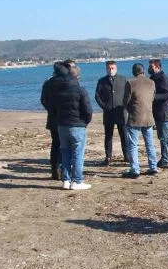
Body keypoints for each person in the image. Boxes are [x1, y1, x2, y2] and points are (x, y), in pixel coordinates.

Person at [51, 61, 93, 190]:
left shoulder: (59, 91)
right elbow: (88, 110)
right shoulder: (81, 90)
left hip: (62, 125)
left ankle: (66, 180)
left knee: (65, 153)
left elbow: (52, 108)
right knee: (77, 154)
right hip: (77, 125)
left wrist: (59, 120)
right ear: (78, 77)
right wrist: (85, 122)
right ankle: (77, 181)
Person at [122, 63, 158, 179]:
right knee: (150, 144)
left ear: (134, 72)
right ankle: (153, 167)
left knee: (132, 145)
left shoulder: (130, 83)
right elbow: (152, 98)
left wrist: (130, 109)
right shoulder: (151, 83)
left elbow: (125, 101)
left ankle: (135, 170)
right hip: (148, 117)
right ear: (143, 71)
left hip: (135, 117)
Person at [95, 60, 129, 166]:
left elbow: (128, 94)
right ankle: (108, 156)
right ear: (106, 69)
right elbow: (97, 96)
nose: (111, 70)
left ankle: (127, 155)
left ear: (116, 68)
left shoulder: (123, 79)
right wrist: (104, 106)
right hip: (108, 112)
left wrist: (125, 105)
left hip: (121, 112)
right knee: (108, 136)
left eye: (112, 68)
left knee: (123, 135)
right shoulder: (101, 81)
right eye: (109, 68)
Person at [148, 58, 168, 169]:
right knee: (161, 137)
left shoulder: (163, 79)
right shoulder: (152, 78)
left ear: (157, 67)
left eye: (151, 67)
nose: (149, 69)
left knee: (167, 137)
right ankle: (164, 159)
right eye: (149, 67)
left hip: (164, 111)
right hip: (156, 112)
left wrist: (153, 97)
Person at [40, 61, 68, 179]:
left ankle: (54, 168)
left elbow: (43, 100)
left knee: (55, 144)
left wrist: (51, 110)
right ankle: (60, 168)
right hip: (61, 118)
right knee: (63, 144)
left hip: (52, 118)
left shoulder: (47, 83)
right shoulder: (61, 82)